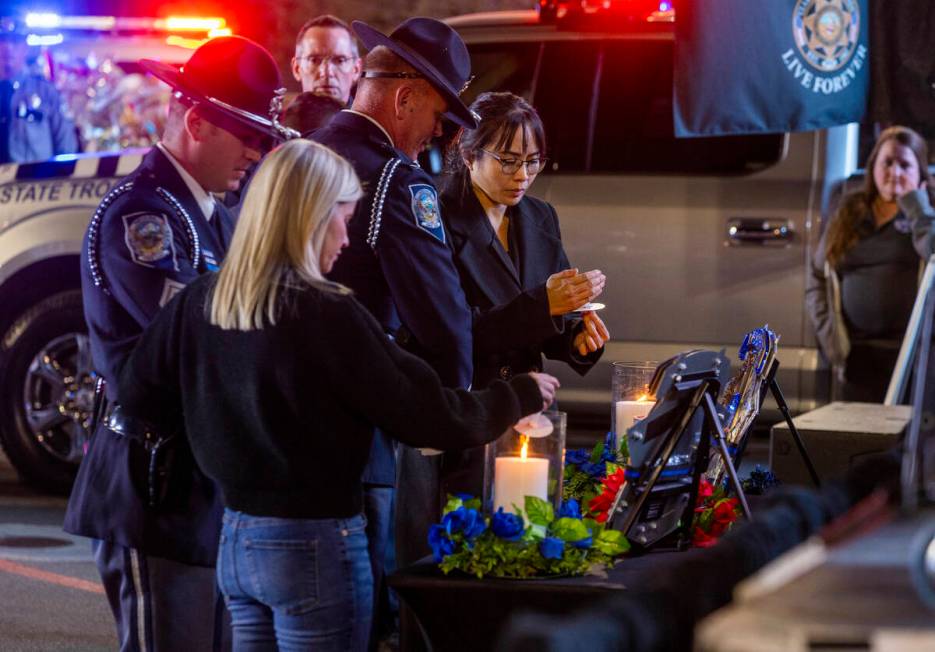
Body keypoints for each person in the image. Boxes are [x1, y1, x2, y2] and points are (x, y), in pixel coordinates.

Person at [114, 138, 558, 651]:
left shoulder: (202, 300)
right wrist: (516, 395)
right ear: (309, 216)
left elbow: (137, 396)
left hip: (234, 539)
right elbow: (424, 413)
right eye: (342, 219)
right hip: (314, 543)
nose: (346, 239)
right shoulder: (328, 312)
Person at [63, 36, 291, 651]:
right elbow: (210, 325)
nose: (258, 151)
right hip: (151, 483)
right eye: (248, 134)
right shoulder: (143, 215)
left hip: (196, 481)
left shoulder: (210, 215)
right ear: (196, 120)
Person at [311, 15, 478, 647]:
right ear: (404, 97)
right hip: (359, 438)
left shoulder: (298, 149)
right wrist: (451, 424)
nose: (443, 130)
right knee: (364, 622)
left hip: (268, 435)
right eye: (440, 112)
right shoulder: (394, 181)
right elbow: (444, 322)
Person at [441, 91, 609, 494]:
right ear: (469, 155)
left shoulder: (539, 215)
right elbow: (453, 330)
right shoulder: (442, 219)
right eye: (509, 161)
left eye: (533, 161)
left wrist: (576, 338)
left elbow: (551, 318)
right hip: (473, 406)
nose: (523, 176)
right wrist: (544, 305)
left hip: (530, 404)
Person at [806, 125, 934, 402]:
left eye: (905, 165)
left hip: (911, 359)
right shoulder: (849, 212)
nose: (895, 173)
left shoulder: (926, 212)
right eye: (887, 162)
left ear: (921, 172)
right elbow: (818, 275)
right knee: (858, 440)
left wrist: (917, 207)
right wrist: (830, 336)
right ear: (873, 165)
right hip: (857, 357)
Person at [0, 23, 78, 163]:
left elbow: (66, 147)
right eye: (2, 40)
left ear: (25, 47)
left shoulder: (45, 91)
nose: (8, 48)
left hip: (33, 182)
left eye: (15, 41)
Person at [291, 15, 362, 104]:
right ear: (297, 68)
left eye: (340, 60)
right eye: (314, 60)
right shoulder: (277, 117)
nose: (327, 72)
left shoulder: (374, 118)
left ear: (356, 69)